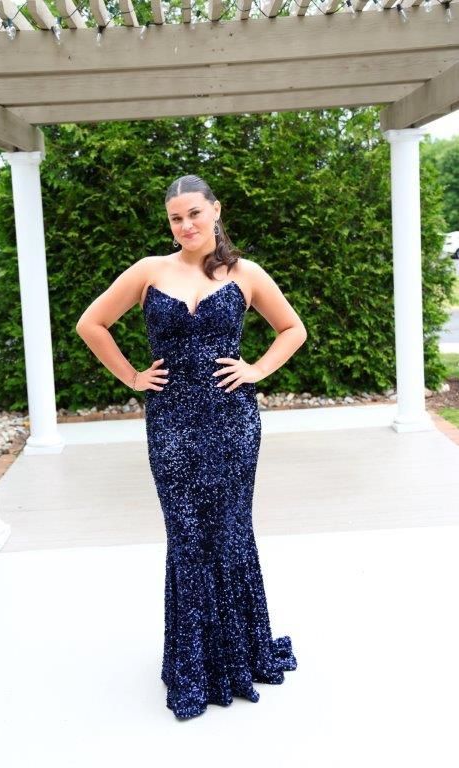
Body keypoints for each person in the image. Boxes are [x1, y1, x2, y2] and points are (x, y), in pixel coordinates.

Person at [76, 173, 307, 720]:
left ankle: (240, 653)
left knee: (230, 528)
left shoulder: (246, 274)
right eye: (176, 218)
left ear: (216, 211)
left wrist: (255, 369)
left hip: (232, 420)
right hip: (172, 419)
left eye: (195, 214)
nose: (186, 225)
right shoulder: (149, 271)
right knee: (185, 533)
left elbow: (291, 329)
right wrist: (133, 377)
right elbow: (92, 323)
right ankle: (192, 664)